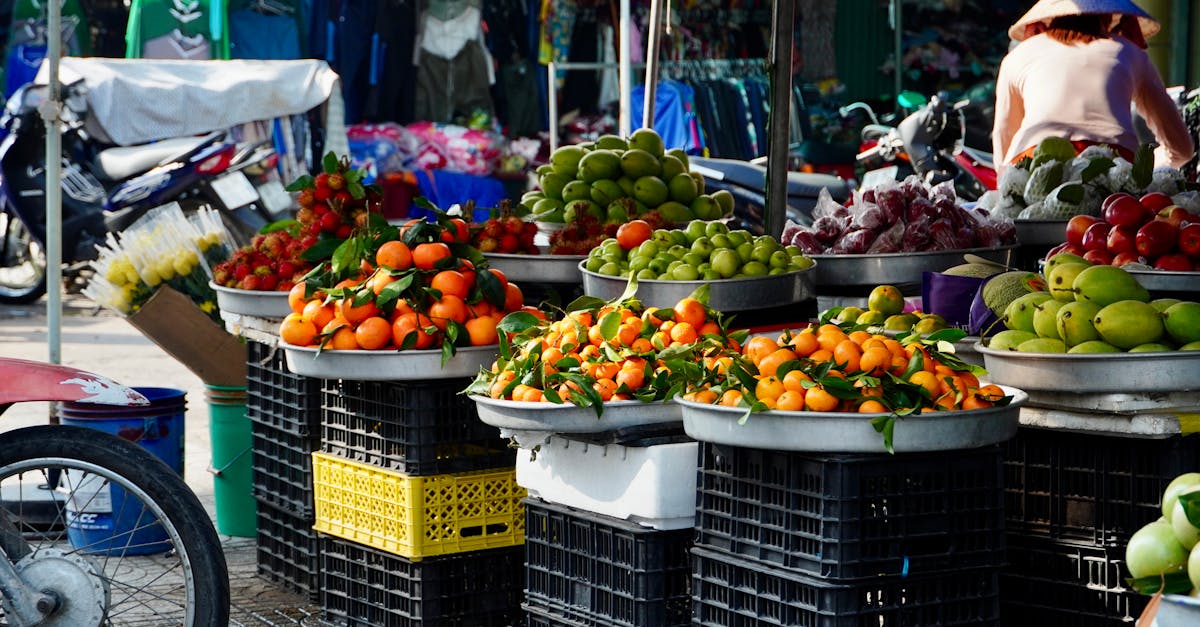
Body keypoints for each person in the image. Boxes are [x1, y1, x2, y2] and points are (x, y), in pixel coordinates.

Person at [992, 0, 1193, 173]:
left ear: (1049, 16)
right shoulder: (1129, 51)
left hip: (1029, 166)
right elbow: (1181, 149)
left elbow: (1004, 145)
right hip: (1113, 168)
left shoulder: (1017, 56)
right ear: (1109, 17)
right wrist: (1143, 168)